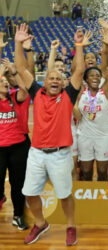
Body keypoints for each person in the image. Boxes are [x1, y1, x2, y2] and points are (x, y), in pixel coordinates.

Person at [15, 23, 86, 246]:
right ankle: (40, 223)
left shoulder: (68, 95)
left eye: (58, 78)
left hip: (60, 155)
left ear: (63, 83)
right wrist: (18, 43)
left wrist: (79, 46)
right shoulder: (37, 93)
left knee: (64, 195)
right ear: (44, 82)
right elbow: (19, 67)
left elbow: (80, 71)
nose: (55, 80)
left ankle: (71, 225)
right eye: (51, 78)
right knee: (29, 193)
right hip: (36, 154)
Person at [0, 61, 30, 231]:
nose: (5, 82)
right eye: (1, 81)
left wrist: (13, 71)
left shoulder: (16, 97)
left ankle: (18, 216)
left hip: (18, 146)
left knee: (18, 183)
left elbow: (24, 89)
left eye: (6, 81)